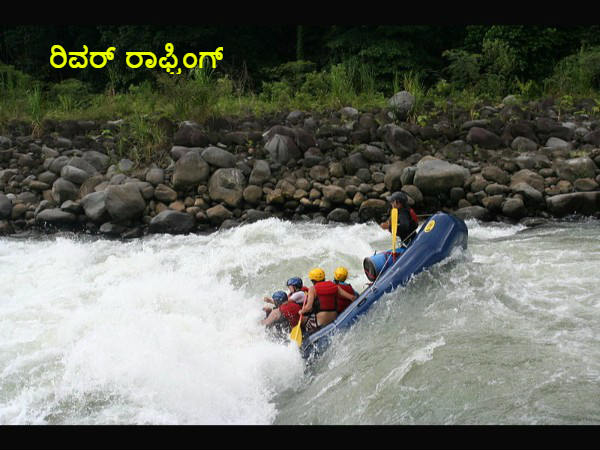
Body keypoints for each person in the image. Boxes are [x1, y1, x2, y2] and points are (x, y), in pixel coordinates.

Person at [300, 268, 357, 335]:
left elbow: (308, 307)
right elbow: (352, 297)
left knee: (303, 319)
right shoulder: (334, 286)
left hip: (320, 322)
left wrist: (301, 311)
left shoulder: (312, 289)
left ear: (313, 280)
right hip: (334, 318)